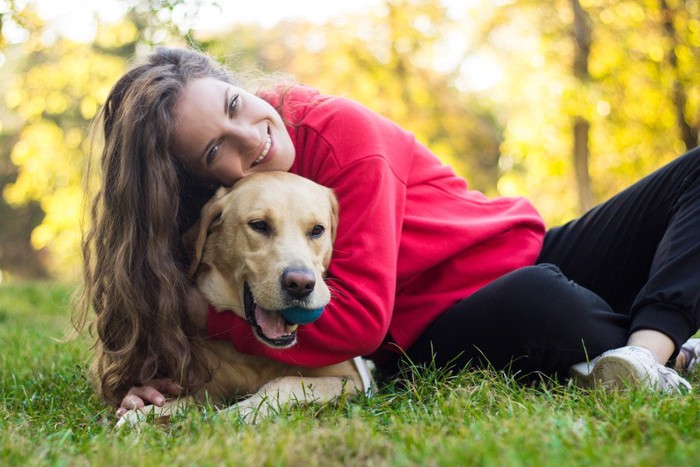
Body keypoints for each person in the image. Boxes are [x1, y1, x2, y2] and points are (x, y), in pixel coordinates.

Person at [76, 47, 700, 418]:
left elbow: (357, 320)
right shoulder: (232, 211)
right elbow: (364, 330)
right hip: (449, 320)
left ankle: (647, 353)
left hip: (533, 247)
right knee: (543, 299)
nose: (253, 136)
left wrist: (199, 314)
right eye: (218, 147)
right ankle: (652, 351)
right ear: (197, 183)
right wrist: (167, 359)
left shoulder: (340, 136)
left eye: (236, 105)